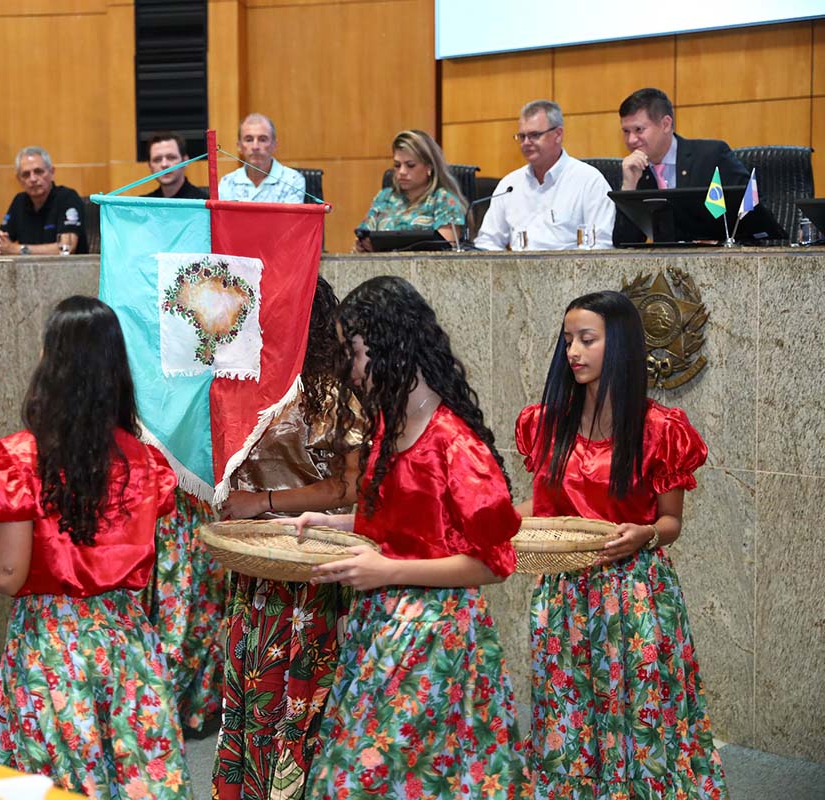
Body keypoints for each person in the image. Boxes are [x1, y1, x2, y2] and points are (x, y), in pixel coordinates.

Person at [0, 296, 191, 800]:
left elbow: (7, 573)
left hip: (52, 651)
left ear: (50, 362)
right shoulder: (144, 460)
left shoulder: (19, 459)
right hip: (128, 647)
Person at [291, 276, 530, 798]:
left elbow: (494, 563)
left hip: (437, 638)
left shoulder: (455, 446)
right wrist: (333, 525)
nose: (349, 370)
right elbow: (402, 526)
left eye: (354, 352)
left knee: (368, 779)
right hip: (384, 625)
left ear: (391, 344)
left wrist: (389, 571)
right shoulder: (391, 427)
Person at [515, 290, 727, 799]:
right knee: (568, 710)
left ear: (623, 346)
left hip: (635, 594)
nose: (573, 352)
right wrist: (481, 516)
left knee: (642, 709)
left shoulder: (660, 429)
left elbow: (671, 522)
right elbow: (538, 510)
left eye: (587, 339)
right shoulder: (546, 421)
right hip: (564, 593)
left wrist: (645, 534)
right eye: (568, 340)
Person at [212, 275, 360, 800]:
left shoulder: (335, 390)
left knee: (302, 695)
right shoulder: (252, 382)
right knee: (255, 696)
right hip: (258, 568)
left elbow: (349, 486)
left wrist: (264, 503)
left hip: (313, 566)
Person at [614, 87, 750, 245]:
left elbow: (751, 211)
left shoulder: (711, 156)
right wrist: (628, 188)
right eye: (625, 131)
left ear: (665, 124)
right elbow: (623, 245)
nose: (631, 140)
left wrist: (720, 241)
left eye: (639, 130)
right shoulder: (635, 171)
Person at [474, 100, 614, 251]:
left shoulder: (589, 181)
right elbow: (487, 241)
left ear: (558, 134)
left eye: (534, 135)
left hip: (571, 272)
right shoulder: (510, 185)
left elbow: (600, 246)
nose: (526, 143)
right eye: (522, 136)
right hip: (519, 272)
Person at [355, 129, 467, 250]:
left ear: (429, 166)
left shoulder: (444, 200)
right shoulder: (384, 197)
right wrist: (362, 245)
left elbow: (445, 251)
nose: (402, 172)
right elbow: (363, 237)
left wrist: (387, 250)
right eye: (397, 165)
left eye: (410, 165)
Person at [0, 146, 86, 255]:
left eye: (38, 172)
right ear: (19, 179)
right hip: (27, 271)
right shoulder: (19, 201)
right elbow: (1, 247)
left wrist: (17, 249)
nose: (33, 179)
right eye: (26, 174)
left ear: (52, 172)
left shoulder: (67, 197)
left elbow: (67, 248)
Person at [218, 114, 306, 204]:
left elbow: (289, 218)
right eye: (249, 140)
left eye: (262, 139)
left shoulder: (292, 180)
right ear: (239, 146)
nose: (255, 147)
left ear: (274, 145)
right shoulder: (227, 182)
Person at [146, 132, 209, 199]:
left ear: (185, 161)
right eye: (157, 160)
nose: (164, 164)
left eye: (171, 157)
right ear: (150, 165)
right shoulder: (143, 206)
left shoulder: (204, 203)